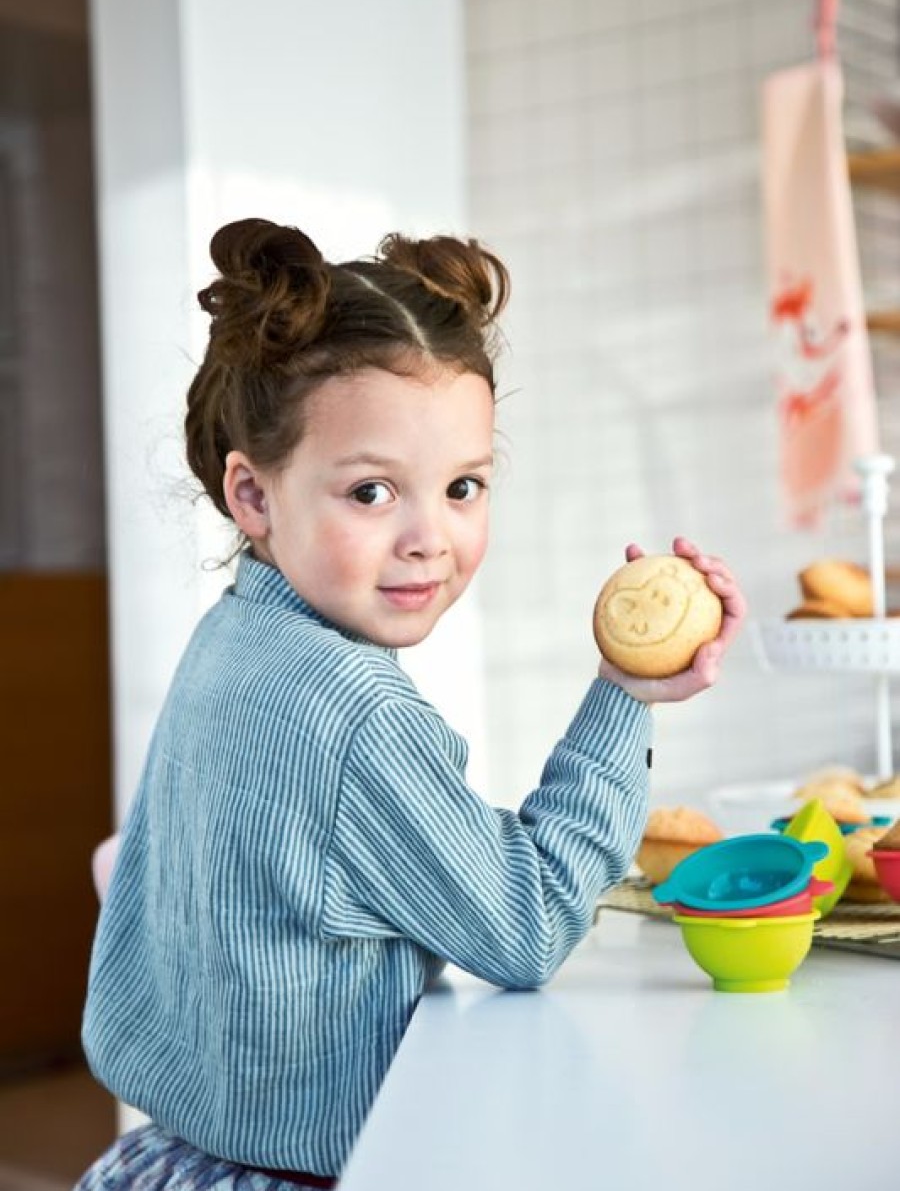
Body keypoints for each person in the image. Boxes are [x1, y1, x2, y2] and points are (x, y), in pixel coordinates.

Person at [77, 217, 745, 1189]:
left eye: (463, 485)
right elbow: (526, 920)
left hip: (155, 1159)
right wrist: (624, 693)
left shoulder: (227, 643)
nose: (431, 537)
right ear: (253, 496)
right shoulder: (352, 711)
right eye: (373, 492)